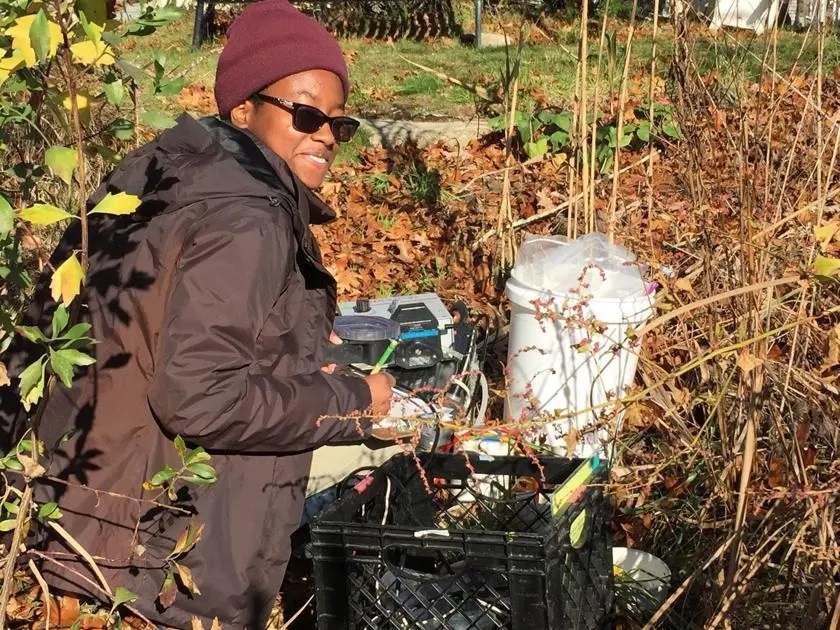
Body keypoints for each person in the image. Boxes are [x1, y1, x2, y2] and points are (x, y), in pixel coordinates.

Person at [0, 0, 402, 626]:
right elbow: (198, 398)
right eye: (305, 114)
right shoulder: (249, 217)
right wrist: (353, 402)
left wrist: (300, 372)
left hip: (74, 529)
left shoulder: (159, 172)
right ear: (243, 108)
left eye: (337, 124)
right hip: (160, 567)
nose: (324, 134)